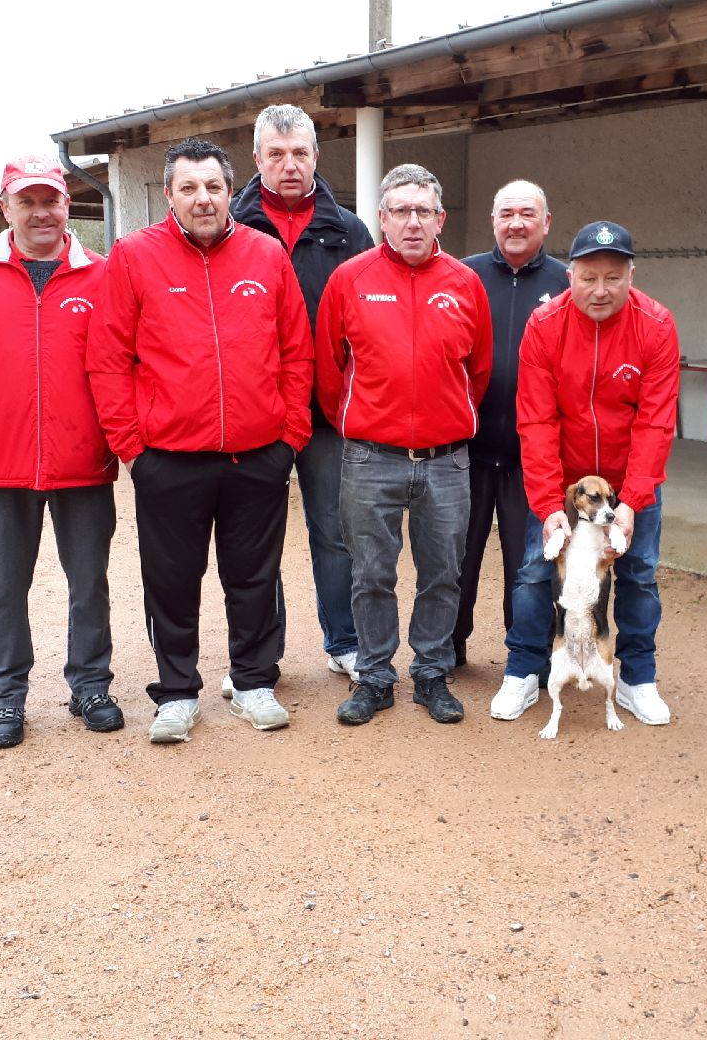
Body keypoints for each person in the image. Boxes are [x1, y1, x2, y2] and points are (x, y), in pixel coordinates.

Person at [87, 138, 313, 742]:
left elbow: (297, 351)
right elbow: (108, 359)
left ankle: (253, 681)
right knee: (171, 582)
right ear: (169, 195)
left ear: (230, 190)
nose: (203, 198)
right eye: (188, 188)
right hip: (167, 459)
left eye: (213, 186)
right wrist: (132, 449)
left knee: (254, 577)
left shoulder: (266, 254)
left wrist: (290, 437)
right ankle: (177, 692)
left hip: (257, 456)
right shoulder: (134, 256)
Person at [0, 155, 121, 750]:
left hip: (83, 460)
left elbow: (120, 360)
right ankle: (5, 696)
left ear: (67, 205)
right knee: (3, 587)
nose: (40, 212)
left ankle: (90, 686)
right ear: (5, 208)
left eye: (50, 200)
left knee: (89, 583)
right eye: (27, 201)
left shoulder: (102, 275)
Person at [314, 164, 492, 726]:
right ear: (382, 218)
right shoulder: (350, 279)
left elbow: (478, 370)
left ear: (440, 219)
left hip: (446, 461)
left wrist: (445, 419)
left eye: (423, 211)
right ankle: (374, 676)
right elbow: (328, 370)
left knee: (443, 573)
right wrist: (364, 422)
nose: (412, 222)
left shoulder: (465, 283)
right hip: (370, 458)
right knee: (371, 574)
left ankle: (432, 672)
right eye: (400, 211)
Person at [495, 221, 680, 726]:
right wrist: (547, 505)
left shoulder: (656, 325)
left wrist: (632, 501)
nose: (601, 290)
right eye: (589, 277)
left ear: (631, 276)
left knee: (639, 575)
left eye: (613, 278)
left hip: (628, 482)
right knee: (535, 572)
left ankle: (637, 678)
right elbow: (536, 420)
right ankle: (524, 670)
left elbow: (656, 421)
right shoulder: (544, 325)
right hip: (564, 484)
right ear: (569, 275)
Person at [230, 105, 374, 690]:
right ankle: (259, 655)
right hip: (256, 411)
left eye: (299, 153)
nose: (289, 165)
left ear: (316, 156)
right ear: (257, 159)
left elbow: (369, 320)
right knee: (255, 539)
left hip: (327, 413)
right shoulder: (231, 227)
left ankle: (344, 642)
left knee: (335, 531)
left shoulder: (350, 231)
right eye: (276, 154)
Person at [454, 180, 569, 679]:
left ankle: (530, 657)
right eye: (507, 214)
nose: (516, 224)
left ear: (546, 222)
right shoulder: (463, 276)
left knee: (532, 566)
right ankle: (447, 648)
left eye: (528, 214)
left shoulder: (567, 282)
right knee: (456, 559)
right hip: (465, 450)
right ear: (493, 221)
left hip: (534, 457)